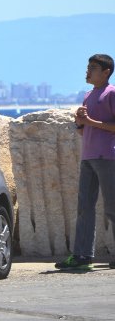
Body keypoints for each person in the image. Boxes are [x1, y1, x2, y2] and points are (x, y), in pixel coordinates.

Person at [55, 54, 115, 271]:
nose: (87, 71)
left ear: (106, 72)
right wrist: (79, 123)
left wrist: (90, 122)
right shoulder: (89, 95)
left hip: (108, 156)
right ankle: (82, 255)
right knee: (84, 208)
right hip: (88, 157)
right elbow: (84, 131)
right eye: (87, 67)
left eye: (93, 67)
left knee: (112, 207)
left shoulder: (112, 93)